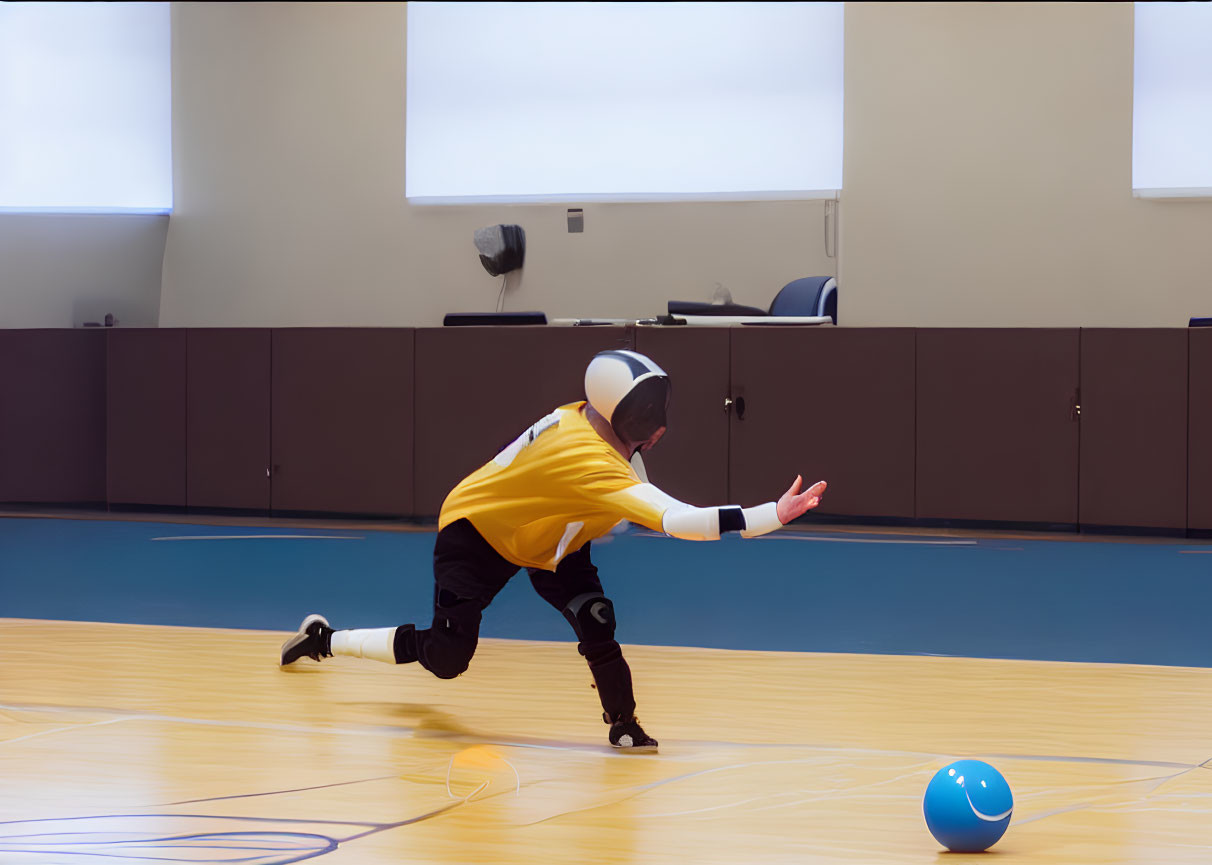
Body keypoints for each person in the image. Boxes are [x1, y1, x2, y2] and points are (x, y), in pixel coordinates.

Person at [280, 349, 827, 750]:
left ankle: (624, 724)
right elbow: (680, 520)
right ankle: (326, 639)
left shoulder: (589, 421)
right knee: (448, 659)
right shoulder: (584, 457)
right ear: (627, 416)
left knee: (597, 619)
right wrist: (770, 516)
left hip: (551, 535)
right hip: (476, 534)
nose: (659, 423)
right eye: (650, 412)